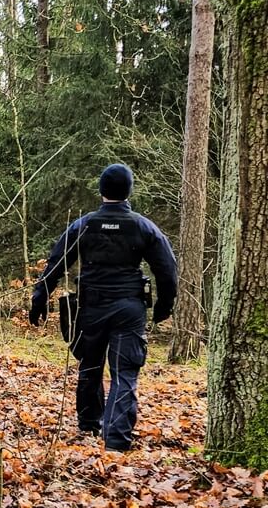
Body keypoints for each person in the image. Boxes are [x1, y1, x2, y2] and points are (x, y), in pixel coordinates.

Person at [29, 163, 177, 452]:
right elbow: (167, 270)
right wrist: (164, 305)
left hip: (91, 307)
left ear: (101, 191)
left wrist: (39, 298)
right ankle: (116, 442)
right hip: (128, 309)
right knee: (124, 373)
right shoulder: (143, 226)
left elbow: (56, 263)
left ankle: (88, 426)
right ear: (128, 191)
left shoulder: (84, 225)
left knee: (91, 365)